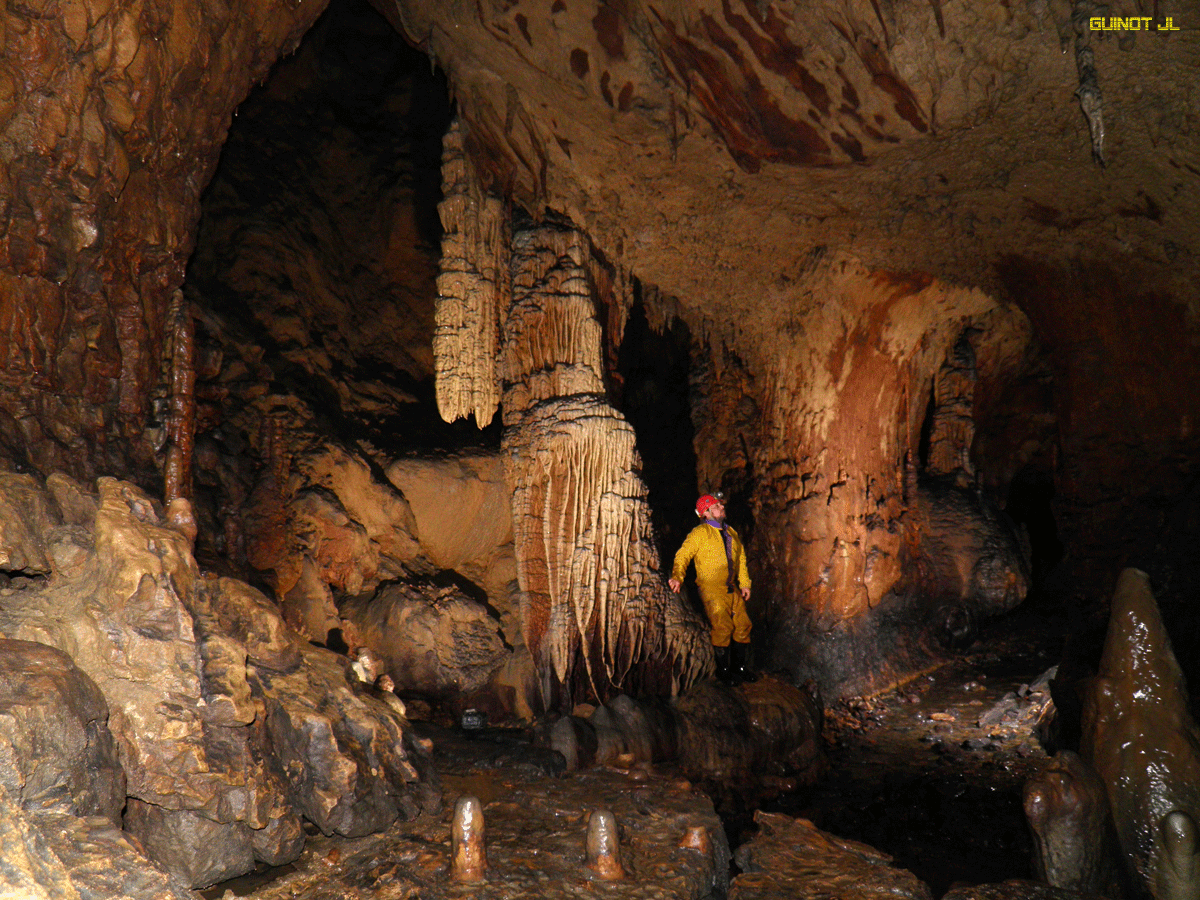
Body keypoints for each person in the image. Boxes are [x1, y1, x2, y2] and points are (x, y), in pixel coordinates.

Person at [669, 493, 754, 684]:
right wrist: (677, 576)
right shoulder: (700, 533)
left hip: (731, 586)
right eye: (716, 506)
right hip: (711, 588)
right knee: (723, 626)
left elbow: (740, 559)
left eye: (721, 505)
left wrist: (745, 583)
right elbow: (683, 555)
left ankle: (739, 668)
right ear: (706, 513)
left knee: (743, 624)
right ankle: (723, 672)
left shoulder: (731, 532)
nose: (722, 508)